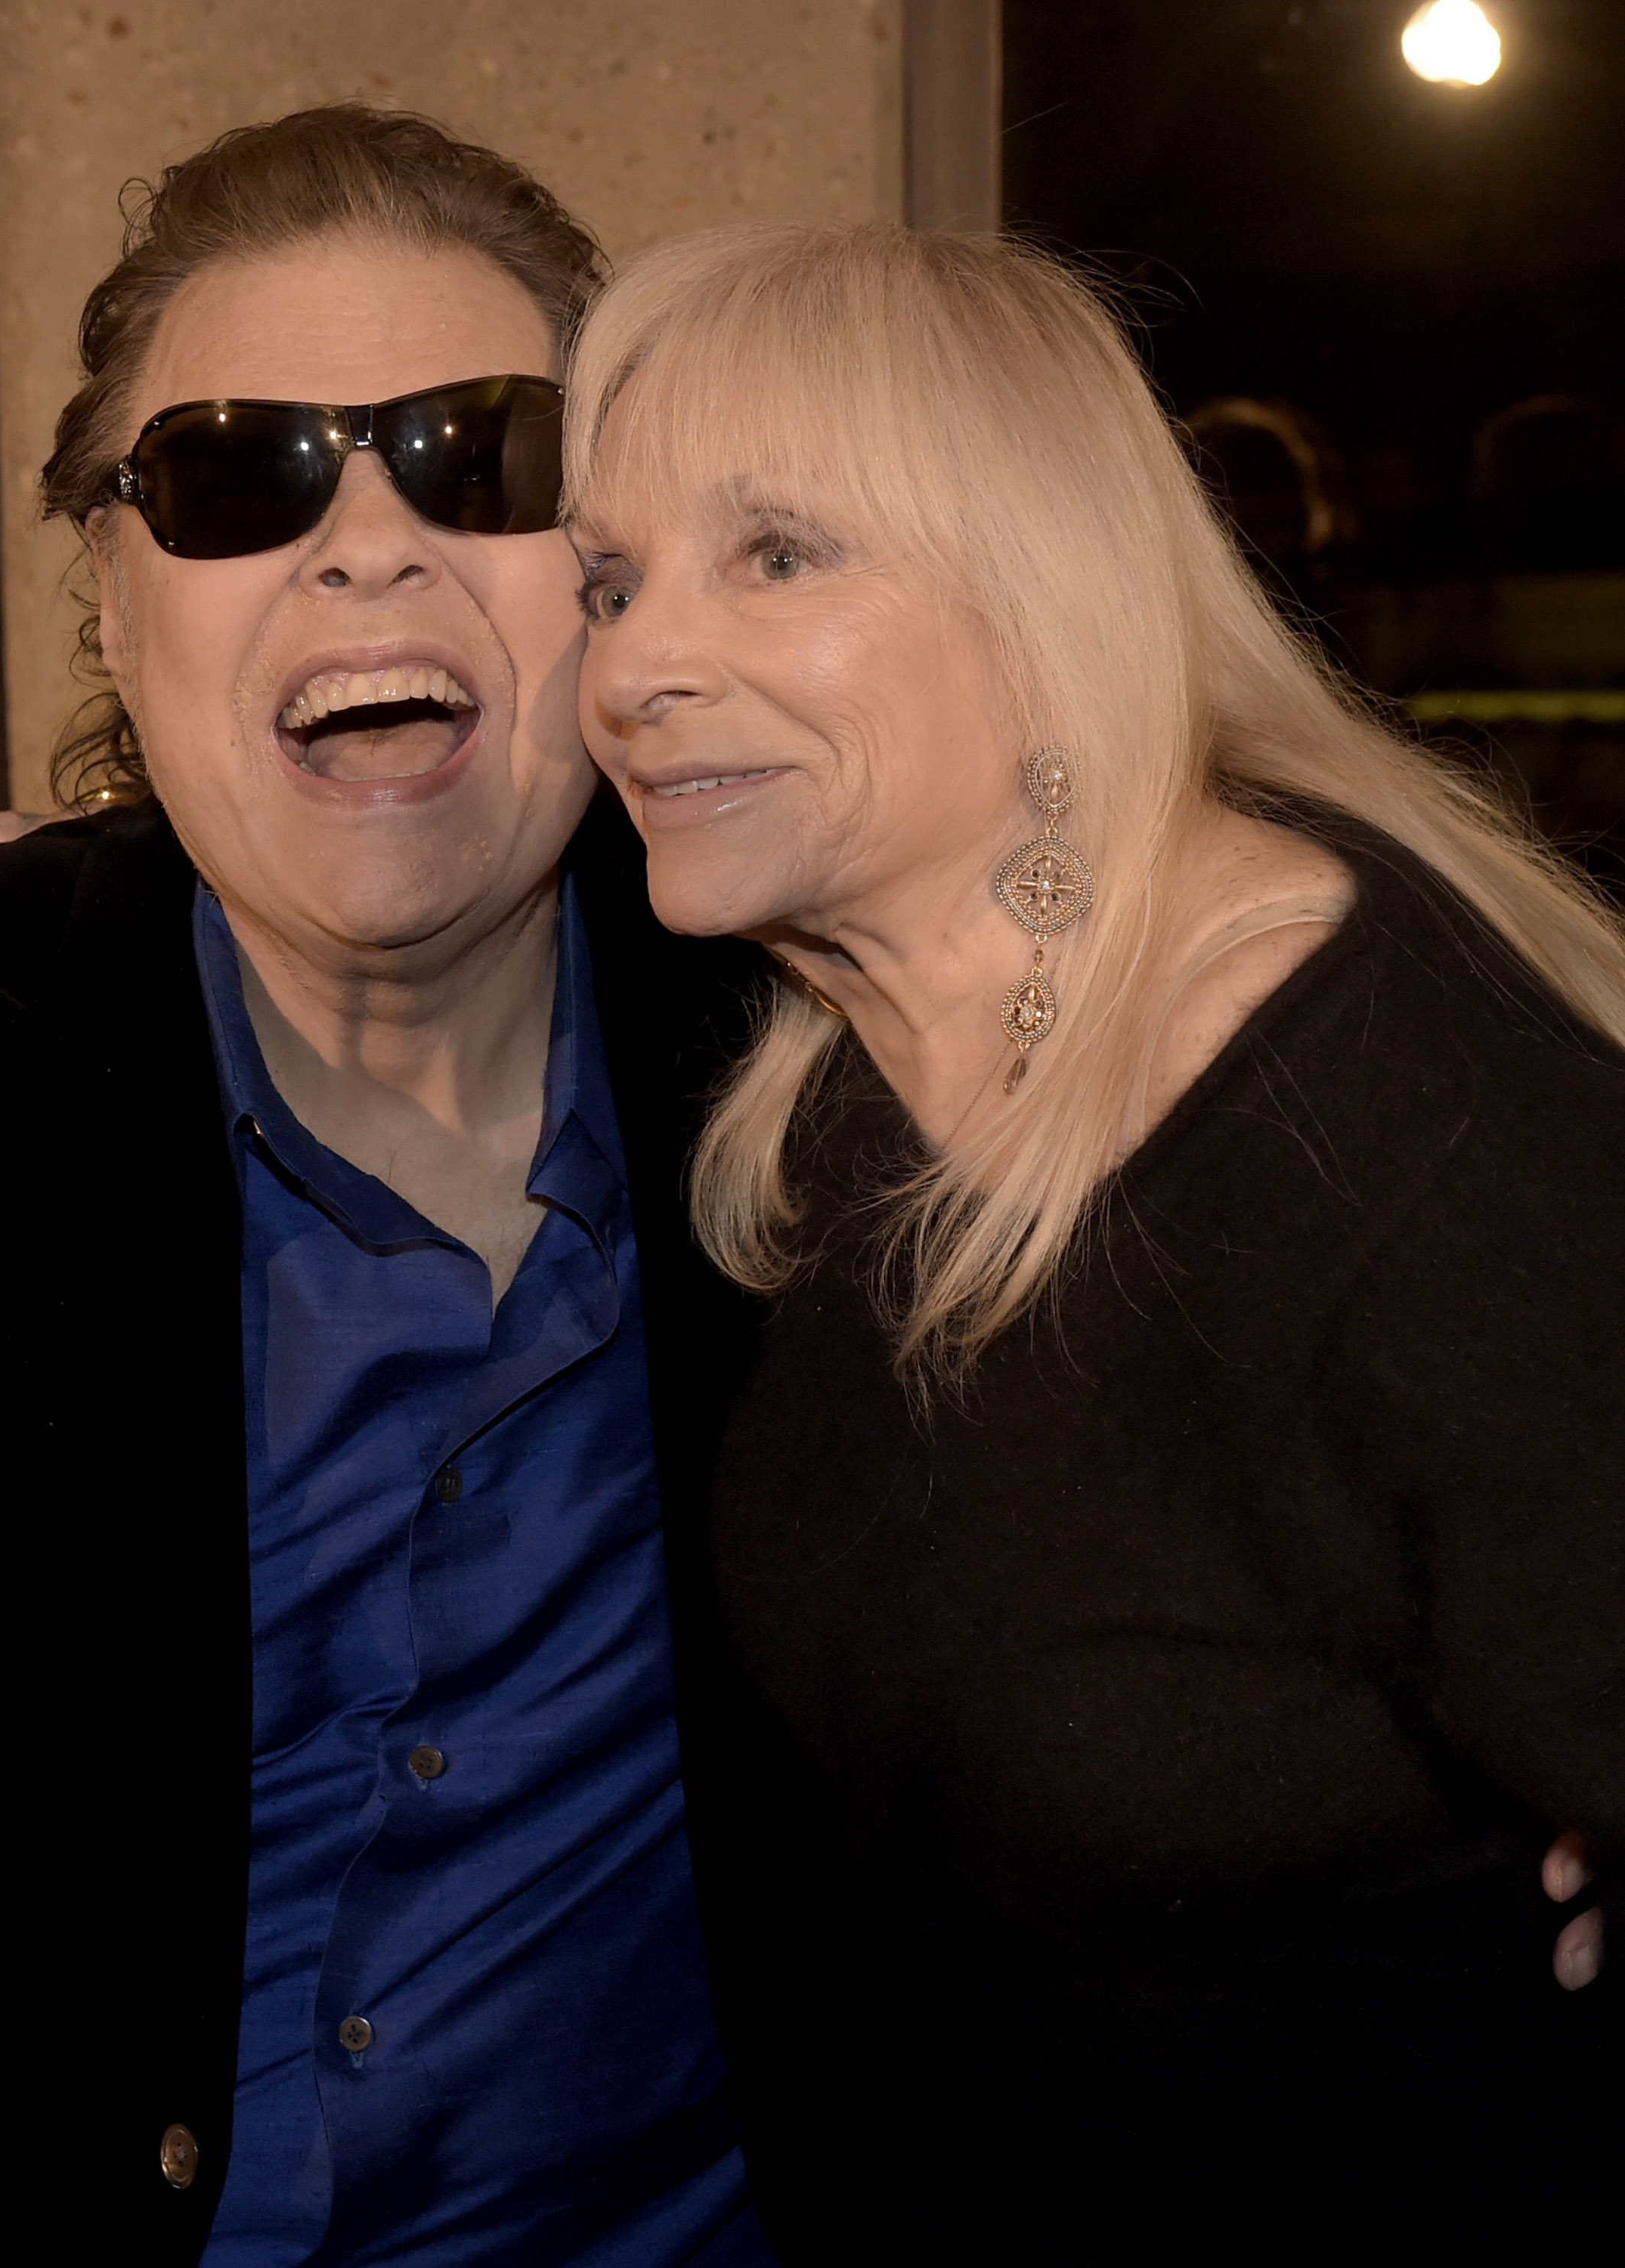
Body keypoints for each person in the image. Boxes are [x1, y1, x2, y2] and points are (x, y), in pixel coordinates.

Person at [0, 107, 773, 2266]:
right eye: (239, 471)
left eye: (481, 455)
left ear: (611, 570)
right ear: (111, 588)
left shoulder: (829, 1066)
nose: (364, 547)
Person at [563, 222, 1625, 2257]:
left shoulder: (1382, 1122)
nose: (632, 665)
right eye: (610, 581)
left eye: (772, 552)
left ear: (1041, 602)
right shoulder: (842, 1072)